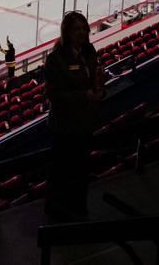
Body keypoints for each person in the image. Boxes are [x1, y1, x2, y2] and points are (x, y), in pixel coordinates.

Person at [43, 11, 102, 222]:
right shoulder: (56, 59)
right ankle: (57, 211)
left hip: (85, 123)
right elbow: (55, 95)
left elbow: (94, 76)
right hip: (64, 126)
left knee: (81, 169)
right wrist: (84, 95)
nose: (82, 33)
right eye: (76, 29)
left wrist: (98, 90)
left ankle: (78, 207)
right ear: (67, 32)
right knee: (62, 170)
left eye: (84, 28)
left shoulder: (88, 51)